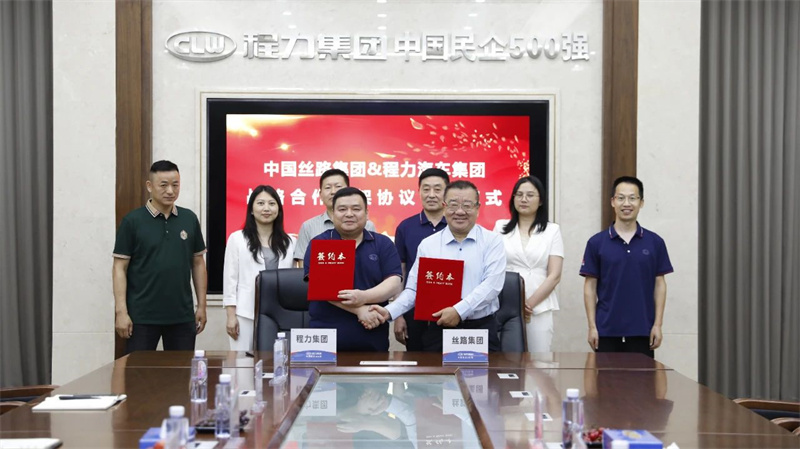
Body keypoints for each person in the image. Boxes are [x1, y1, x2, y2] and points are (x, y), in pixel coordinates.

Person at [369, 180, 507, 352]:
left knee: (480, 371)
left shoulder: (492, 241)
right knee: (435, 370)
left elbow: (492, 286)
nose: (460, 211)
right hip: (439, 329)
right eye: (453, 205)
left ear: (478, 208)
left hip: (480, 329)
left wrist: (458, 311)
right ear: (444, 207)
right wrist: (389, 311)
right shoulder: (429, 245)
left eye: (467, 205)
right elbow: (414, 290)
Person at [112, 160, 207, 354]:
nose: (170, 191)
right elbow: (119, 268)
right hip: (141, 317)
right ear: (149, 186)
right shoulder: (132, 221)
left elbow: (198, 264)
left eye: (175, 185)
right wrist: (121, 312)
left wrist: (202, 306)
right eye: (163, 185)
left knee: (181, 371)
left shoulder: (189, 218)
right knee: (139, 372)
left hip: (182, 316)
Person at [580, 176, 673, 358]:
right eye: (621, 198)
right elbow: (589, 286)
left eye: (632, 198)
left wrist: (657, 325)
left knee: (642, 377)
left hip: (643, 330)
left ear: (641, 203)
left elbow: (660, 285)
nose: (627, 204)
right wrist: (592, 326)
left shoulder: (655, 242)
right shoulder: (596, 243)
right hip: (606, 330)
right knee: (605, 377)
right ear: (612, 202)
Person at [303, 187, 403, 351]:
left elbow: (393, 282)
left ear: (367, 213)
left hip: (371, 333)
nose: (349, 214)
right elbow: (320, 287)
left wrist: (364, 297)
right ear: (332, 214)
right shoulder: (319, 243)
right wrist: (359, 310)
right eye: (342, 209)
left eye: (356, 209)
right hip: (325, 337)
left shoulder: (383, 244)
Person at [493, 176, 563, 352]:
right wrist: (516, 305)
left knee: (539, 360)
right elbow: (493, 267)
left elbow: (554, 275)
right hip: (505, 303)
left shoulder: (552, 230)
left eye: (530, 195)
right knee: (507, 360)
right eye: (519, 195)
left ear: (541, 201)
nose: (523, 199)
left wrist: (528, 305)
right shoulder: (500, 227)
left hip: (539, 305)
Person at [222, 185, 296, 351]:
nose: (266, 208)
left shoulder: (290, 242)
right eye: (260, 203)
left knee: (278, 360)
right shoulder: (237, 239)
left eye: (272, 203)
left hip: (280, 313)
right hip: (245, 313)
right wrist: (231, 315)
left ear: (279, 209)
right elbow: (230, 279)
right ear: (251, 209)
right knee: (242, 361)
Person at [392, 168, 450, 349]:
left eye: (437, 189)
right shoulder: (405, 227)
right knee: (417, 359)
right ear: (418, 192)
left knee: (451, 361)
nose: (431, 194)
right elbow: (400, 273)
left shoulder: (457, 225)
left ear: (447, 192)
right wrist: (399, 314)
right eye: (426, 189)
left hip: (452, 310)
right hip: (413, 309)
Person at [293, 168, 375, 267]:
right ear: (320, 195)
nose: (333, 191)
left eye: (338, 186)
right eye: (328, 187)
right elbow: (303, 266)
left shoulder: (367, 225)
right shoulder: (308, 226)